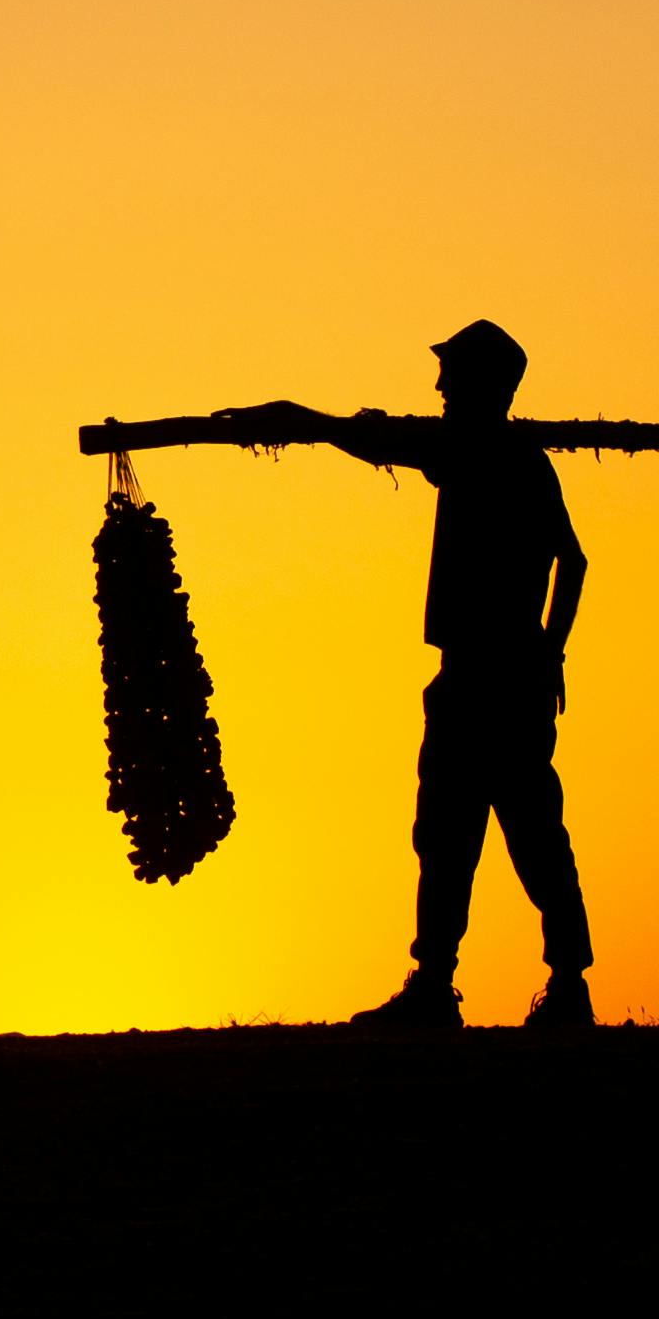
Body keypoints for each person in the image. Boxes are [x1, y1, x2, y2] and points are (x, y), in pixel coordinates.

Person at [227, 320, 598, 1029]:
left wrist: (299, 419)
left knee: (471, 831)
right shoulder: (522, 459)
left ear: (484, 386)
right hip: (510, 677)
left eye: (450, 376)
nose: (438, 388)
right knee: (508, 831)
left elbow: (377, 443)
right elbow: (573, 563)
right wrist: (549, 650)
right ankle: (534, 982)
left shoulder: (476, 451)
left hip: (481, 681)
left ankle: (460, 984)